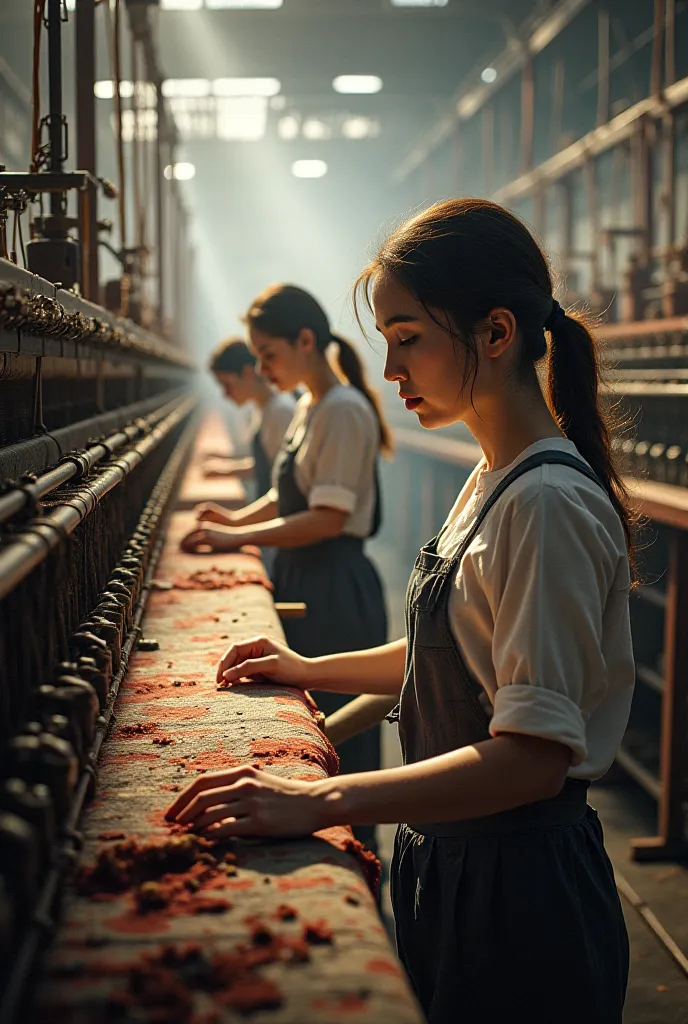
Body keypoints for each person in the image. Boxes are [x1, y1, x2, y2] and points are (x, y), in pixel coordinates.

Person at [169, 200, 635, 1024]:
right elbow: (449, 650)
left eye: (408, 337)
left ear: (495, 333)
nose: (389, 371)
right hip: (453, 858)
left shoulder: (548, 505)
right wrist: (308, 674)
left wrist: (326, 800)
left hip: (516, 890)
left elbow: (530, 760)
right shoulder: (495, 480)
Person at [180, 285, 392, 843]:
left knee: (339, 725)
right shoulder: (310, 406)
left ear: (305, 341)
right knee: (313, 718)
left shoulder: (343, 411)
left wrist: (235, 538)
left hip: (335, 581)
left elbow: (325, 518)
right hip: (307, 572)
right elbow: (286, 495)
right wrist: (233, 524)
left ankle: (358, 853)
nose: (261, 367)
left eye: (268, 354)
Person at [202, 337, 295, 498]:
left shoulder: (280, 412)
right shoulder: (262, 409)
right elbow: (266, 465)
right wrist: (226, 466)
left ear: (247, 373)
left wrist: (227, 469)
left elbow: (286, 476)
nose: (226, 394)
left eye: (227, 385)